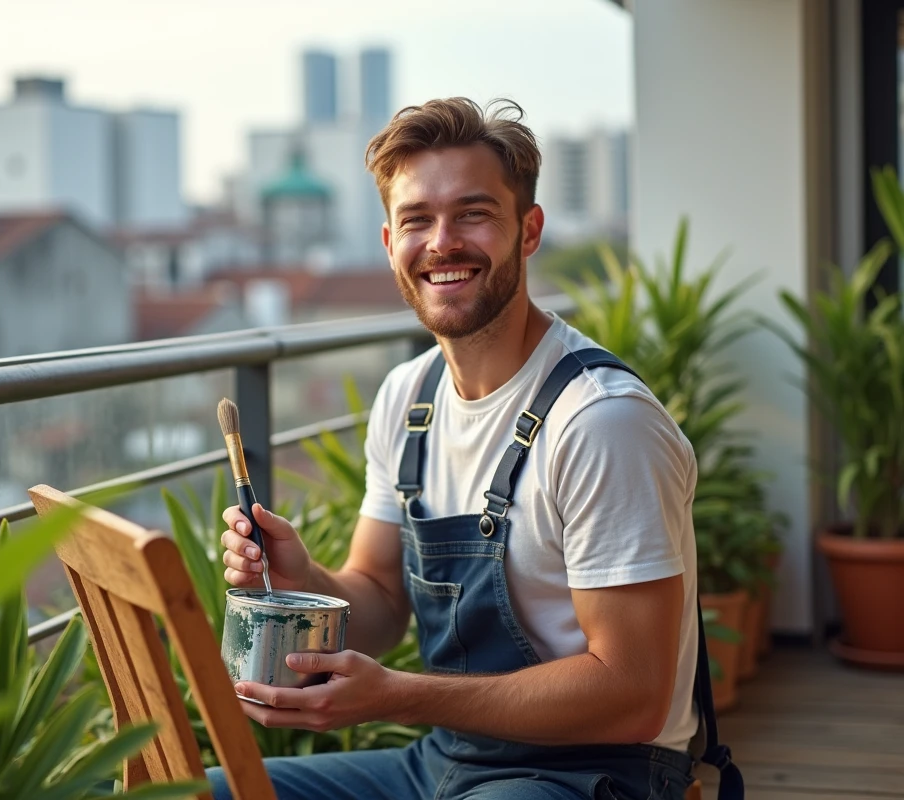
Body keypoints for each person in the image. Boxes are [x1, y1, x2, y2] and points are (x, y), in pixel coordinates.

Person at [209, 98, 741, 800]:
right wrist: (303, 573)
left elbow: (633, 693)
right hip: (444, 764)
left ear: (529, 230)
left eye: (474, 213)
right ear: (388, 242)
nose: (442, 242)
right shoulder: (409, 397)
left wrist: (398, 696)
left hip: (598, 773)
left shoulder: (602, 422)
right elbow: (378, 602)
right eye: (417, 220)